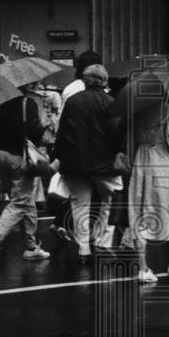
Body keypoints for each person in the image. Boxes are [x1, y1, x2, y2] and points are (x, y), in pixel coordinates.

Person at [53, 64, 123, 259]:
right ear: (104, 81)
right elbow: (117, 134)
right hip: (106, 163)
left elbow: (62, 133)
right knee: (110, 201)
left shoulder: (73, 102)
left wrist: (59, 157)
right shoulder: (111, 102)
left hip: (75, 162)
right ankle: (103, 243)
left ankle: (83, 248)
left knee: (79, 205)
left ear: (85, 80)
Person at [127, 102, 169, 282]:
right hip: (162, 163)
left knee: (140, 213)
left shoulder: (136, 110)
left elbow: (130, 141)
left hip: (141, 161)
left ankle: (143, 268)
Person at [0, 83, 50, 261]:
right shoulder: (28, 103)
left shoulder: (3, 104)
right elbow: (35, 131)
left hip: (2, 155)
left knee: (27, 202)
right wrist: (45, 128)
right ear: (27, 85)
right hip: (19, 157)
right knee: (21, 201)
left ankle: (31, 246)